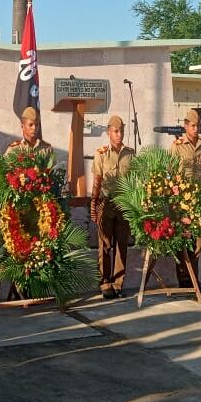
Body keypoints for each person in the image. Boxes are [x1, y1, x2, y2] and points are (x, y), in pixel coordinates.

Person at [169, 108, 201, 290]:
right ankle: (184, 281)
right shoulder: (177, 146)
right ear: (185, 126)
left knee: (198, 241)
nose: (196, 129)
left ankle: (194, 278)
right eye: (193, 126)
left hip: (199, 201)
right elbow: (171, 174)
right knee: (183, 240)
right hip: (182, 201)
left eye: (198, 126)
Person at [91, 115, 134, 299]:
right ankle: (105, 283)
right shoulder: (101, 153)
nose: (119, 134)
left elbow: (135, 180)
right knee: (105, 244)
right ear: (109, 132)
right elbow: (97, 181)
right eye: (116, 131)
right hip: (106, 203)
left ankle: (118, 283)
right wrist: (93, 204)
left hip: (124, 204)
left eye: (122, 131)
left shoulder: (130, 153)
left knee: (122, 244)